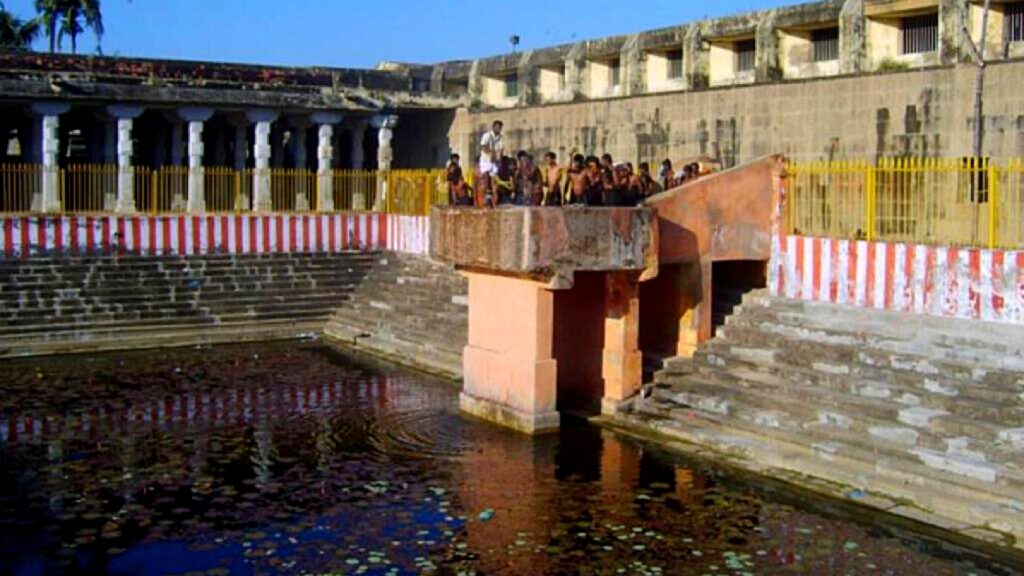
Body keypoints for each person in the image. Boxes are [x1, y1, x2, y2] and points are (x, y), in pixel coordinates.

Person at [477, 120, 504, 206]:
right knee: (486, 178)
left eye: (500, 128)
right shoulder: (487, 135)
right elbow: (483, 146)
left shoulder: (501, 138)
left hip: (495, 162)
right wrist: (491, 153)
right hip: (486, 161)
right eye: (497, 127)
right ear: (493, 127)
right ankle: (486, 197)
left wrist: (499, 157)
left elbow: (501, 150)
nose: (499, 129)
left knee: (495, 182)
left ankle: (495, 201)